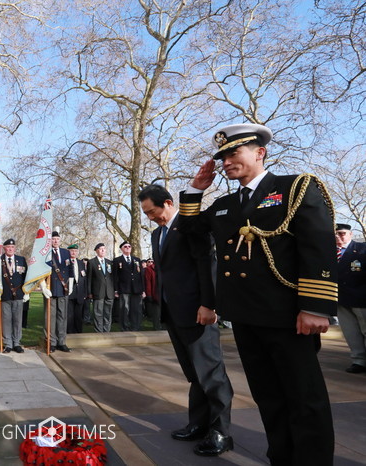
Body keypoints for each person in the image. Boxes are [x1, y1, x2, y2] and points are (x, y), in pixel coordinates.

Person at [179, 123, 337, 465]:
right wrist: (195, 190)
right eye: (222, 156)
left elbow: (317, 246)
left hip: (288, 315)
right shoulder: (224, 205)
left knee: (304, 399)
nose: (226, 162)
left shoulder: (294, 187)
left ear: (259, 152)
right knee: (268, 397)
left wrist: (315, 306)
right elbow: (189, 230)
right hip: (245, 315)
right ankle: (282, 458)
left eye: (233, 153)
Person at [139, 184, 234, 456]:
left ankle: (221, 432)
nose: (151, 218)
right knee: (194, 373)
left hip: (197, 311)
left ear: (169, 203)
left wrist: (209, 304)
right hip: (174, 312)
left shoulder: (190, 226)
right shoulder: (157, 234)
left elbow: (207, 264)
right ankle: (199, 424)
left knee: (211, 374)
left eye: (152, 211)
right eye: (146, 214)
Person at [335, 223, 366, 374]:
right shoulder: (327, 252)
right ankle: (359, 361)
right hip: (340, 299)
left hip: (361, 297)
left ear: (350, 234)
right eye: (335, 234)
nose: (338, 237)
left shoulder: (362, 249)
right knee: (350, 332)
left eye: (342, 233)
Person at [41, 231, 72, 352]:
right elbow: (41, 271)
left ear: (60, 240)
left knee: (62, 316)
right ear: (50, 241)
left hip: (63, 288)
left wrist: (70, 284)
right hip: (51, 288)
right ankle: (51, 342)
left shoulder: (66, 252)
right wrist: (43, 286)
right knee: (50, 317)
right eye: (53, 239)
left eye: (57, 239)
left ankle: (61, 342)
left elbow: (70, 269)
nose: (55, 241)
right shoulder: (45, 253)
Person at [0, 239, 28, 353]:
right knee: (6, 320)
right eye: (8, 247)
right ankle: (8, 344)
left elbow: (26, 277)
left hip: (19, 294)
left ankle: (16, 343)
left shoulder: (21, 260)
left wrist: (27, 292)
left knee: (17, 320)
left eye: (12, 247)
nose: (10, 249)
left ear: (15, 248)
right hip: (5, 294)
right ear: (4, 248)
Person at [112, 241, 145, 331]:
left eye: (129, 246)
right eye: (125, 246)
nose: (127, 248)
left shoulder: (137, 260)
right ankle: (124, 328)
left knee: (136, 309)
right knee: (124, 309)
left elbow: (141, 276)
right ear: (121, 249)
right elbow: (115, 276)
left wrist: (143, 290)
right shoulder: (117, 260)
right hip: (124, 289)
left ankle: (135, 327)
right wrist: (116, 290)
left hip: (136, 289)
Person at [87, 243, 115, 333]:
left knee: (108, 313)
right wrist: (89, 292)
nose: (103, 250)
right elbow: (89, 278)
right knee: (98, 313)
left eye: (104, 248)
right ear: (96, 251)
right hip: (98, 292)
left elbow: (112, 277)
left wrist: (114, 290)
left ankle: (107, 331)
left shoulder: (109, 262)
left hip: (109, 292)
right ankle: (99, 332)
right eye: (100, 249)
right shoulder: (92, 262)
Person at [66, 244, 88, 334]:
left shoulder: (81, 263)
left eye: (75, 251)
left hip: (80, 293)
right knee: (69, 314)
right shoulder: (66, 262)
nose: (74, 253)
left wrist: (85, 293)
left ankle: (78, 332)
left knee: (79, 315)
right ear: (68, 252)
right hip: (69, 292)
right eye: (72, 251)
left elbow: (84, 278)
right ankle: (69, 332)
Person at [143, 259, 162, 330]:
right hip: (155, 294)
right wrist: (149, 294)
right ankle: (157, 326)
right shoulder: (149, 269)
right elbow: (148, 282)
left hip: (163, 293)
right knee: (156, 312)